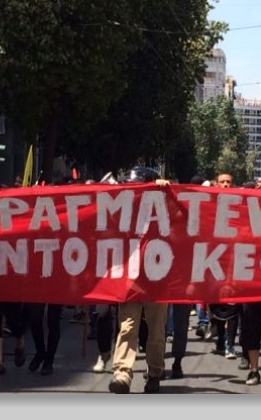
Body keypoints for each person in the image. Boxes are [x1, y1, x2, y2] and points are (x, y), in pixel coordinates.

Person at [109, 167, 169, 394]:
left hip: (157, 278)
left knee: (156, 330)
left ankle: (154, 372)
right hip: (129, 278)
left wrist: (165, 191)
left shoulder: (164, 206)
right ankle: (122, 373)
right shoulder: (123, 207)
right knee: (127, 326)